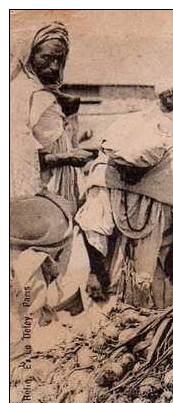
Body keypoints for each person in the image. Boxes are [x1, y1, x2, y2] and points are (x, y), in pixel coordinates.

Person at [75, 79, 173, 308]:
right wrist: (95, 271)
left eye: (136, 170)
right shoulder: (105, 170)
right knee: (117, 311)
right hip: (120, 252)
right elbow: (93, 225)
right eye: (124, 168)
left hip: (168, 245)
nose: (128, 176)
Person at [10, 21, 96, 337]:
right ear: (28, 55)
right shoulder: (29, 95)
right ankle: (33, 335)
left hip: (50, 187)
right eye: (46, 58)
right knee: (41, 259)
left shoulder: (30, 93)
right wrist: (69, 157)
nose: (54, 65)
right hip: (41, 192)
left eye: (60, 58)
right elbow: (24, 155)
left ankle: (36, 331)